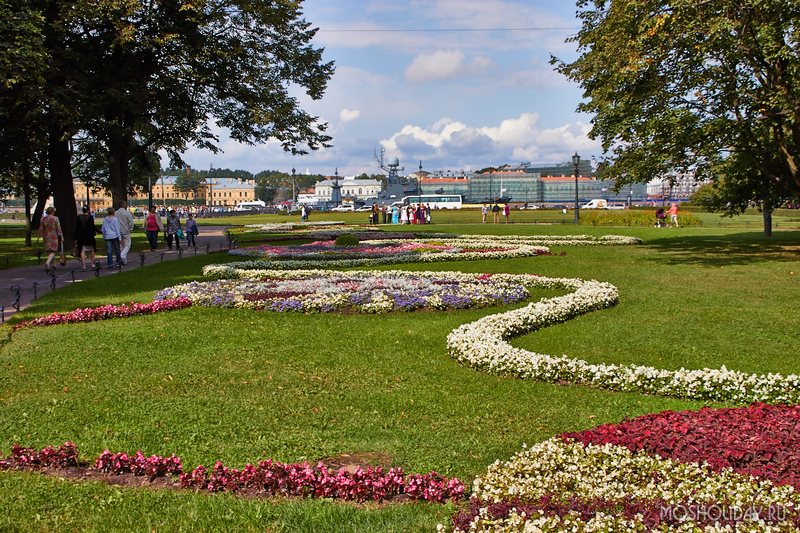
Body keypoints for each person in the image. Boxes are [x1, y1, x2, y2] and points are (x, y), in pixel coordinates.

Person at [37, 206, 63, 272]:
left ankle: (53, 264)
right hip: (54, 236)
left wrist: (38, 237)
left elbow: (41, 229)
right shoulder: (55, 218)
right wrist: (61, 236)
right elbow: (58, 228)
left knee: (51, 251)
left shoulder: (44, 219)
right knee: (53, 251)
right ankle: (47, 262)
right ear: (52, 212)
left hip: (46, 236)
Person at [116, 201, 135, 265]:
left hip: (118, 231)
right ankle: (122, 256)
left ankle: (124, 260)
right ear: (124, 205)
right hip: (126, 230)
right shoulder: (127, 213)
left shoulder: (116, 213)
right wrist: (130, 228)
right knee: (127, 245)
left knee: (121, 246)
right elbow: (131, 222)